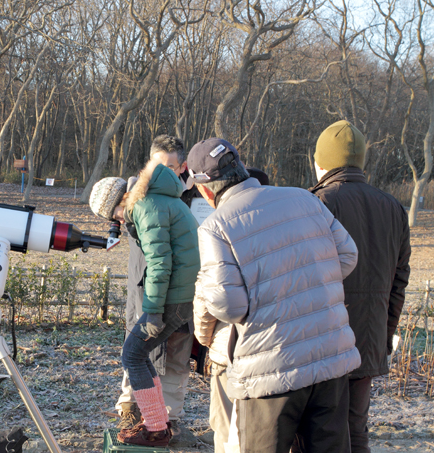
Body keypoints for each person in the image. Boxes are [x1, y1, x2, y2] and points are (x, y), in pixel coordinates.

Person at [189, 137, 361, 453]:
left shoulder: (216, 226)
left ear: (204, 188)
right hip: (330, 358)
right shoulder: (304, 199)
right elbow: (348, 255)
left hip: (270, 371)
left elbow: (229, 305)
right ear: (240, 167)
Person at [309, 120, 411, 453]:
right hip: (368, 338)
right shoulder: (394, 207)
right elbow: (400, 281)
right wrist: (383, 336)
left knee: (318, 430)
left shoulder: (318, 203)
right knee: (356, 427)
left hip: (323, 340)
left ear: (320, 162)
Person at [88, 157, 200, 447]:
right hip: (179, 295)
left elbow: (159, 264)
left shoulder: (147, 208)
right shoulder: (159, 200)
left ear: (123, 200)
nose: (119, 221)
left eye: (116, 215)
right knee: (139, 354)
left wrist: (151, 312)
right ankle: (156, 422)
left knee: (133, 354)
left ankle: (155, 428)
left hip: (171, 300)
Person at [194, 166, 270, 453]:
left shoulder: (222, 227)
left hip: (229, 349)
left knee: (225, 429)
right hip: (276, 352)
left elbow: (210, 296)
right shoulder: (277, 228)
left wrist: (204, 338)